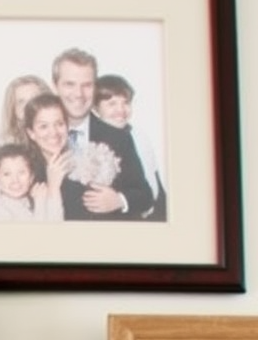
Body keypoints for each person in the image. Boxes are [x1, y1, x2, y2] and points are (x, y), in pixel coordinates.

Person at [51, 47, 153, 219]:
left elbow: (145, 196)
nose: (79, 94)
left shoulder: (118, 137)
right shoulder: (39, 135)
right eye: (70, 84)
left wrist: (119, 200)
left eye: (87, 85)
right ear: (55, 87)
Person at [93, 73, 166, 221]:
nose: (121, 110)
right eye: (112, 104)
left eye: (125, 103)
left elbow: (154, 180)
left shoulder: (139, 137)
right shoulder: (94, 142)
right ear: (95, 108)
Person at [0, 73, 53, 185]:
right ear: (13, 110)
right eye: (21, 102)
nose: (29, 106)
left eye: (34, 99)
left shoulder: (61, 139)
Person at [20, 94, 88, 221]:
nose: (54, 132)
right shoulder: (23, 173)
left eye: (59, 124)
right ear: (31, 133)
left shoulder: (84, 165)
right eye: (44, 126)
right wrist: (53, 187)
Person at [0, 143, 41, 222]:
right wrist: (40, 205)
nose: (15, 180)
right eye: (7, 174)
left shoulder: (35, 199)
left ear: (31, 177)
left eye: (21, 173)